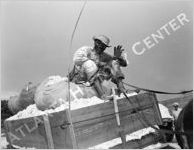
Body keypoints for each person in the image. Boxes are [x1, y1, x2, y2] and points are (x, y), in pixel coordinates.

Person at [69, 35, 128, 100]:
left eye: (104, 46)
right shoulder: (87, 50)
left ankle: (121, 88)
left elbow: (124, 64)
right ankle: (103, 96)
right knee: (90, 64)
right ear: (95, 42)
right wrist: (99, 63)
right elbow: (77, 60)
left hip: (95, 79)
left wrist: (118, 58)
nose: (101, 47)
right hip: (80, 77)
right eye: (99, 43)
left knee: (113, 62)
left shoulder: (104, 55)